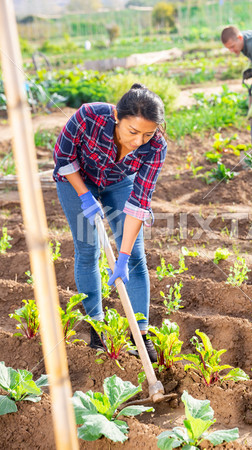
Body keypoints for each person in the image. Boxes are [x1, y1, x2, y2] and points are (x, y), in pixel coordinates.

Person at [53, 84, 167, 363]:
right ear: (117, 116)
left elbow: (139, 203)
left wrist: (124, 255)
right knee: (88, 249)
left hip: (118, 183)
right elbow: (63, 158)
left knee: (137, 258)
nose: (139, 140)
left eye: (148, 133)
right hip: (76, 179)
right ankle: (97, 328)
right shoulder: (89, 116)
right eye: (132, 131)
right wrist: (85, 196)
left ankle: (139, 333)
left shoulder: (156, 147)